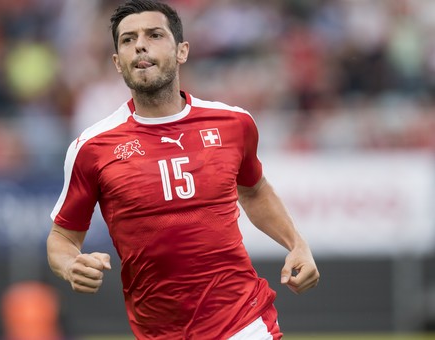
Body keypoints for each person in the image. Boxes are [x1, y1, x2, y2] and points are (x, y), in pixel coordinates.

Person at [47, 1, 320, 339]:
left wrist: (296, 243)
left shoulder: (233, 123)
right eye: (128, 39)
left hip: (243, 321)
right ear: (118, 63)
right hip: (158, 330)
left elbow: (254, 189)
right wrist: (70, 264)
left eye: (154, 35)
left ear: (182, 51)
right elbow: (62, 238)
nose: (141, 45)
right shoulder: (92, 147)